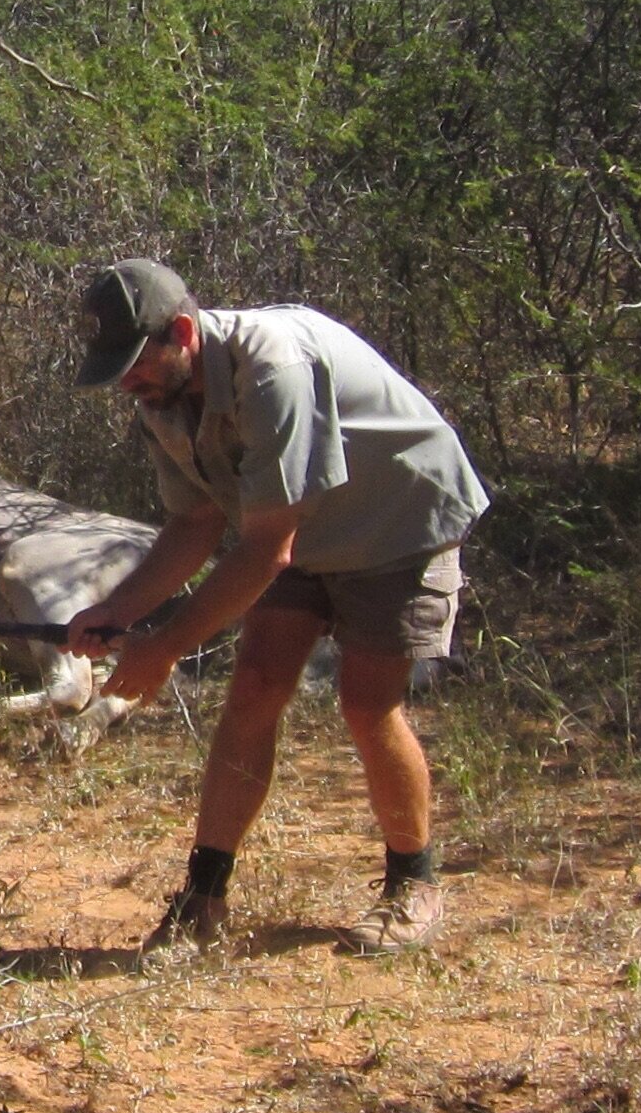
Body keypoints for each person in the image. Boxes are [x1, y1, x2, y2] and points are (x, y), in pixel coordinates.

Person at [63, 258, 488, 956]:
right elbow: (195, 526)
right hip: (298, 527)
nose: (128, 382)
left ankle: (415, 882)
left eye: (136, 362)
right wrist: (117, 608)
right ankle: (204, 898)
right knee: (256, 686)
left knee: (366, 703)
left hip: (399, 521)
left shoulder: (273, 369)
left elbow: (265, 551)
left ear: (180, 331)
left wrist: (164, 644)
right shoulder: (162, 399)